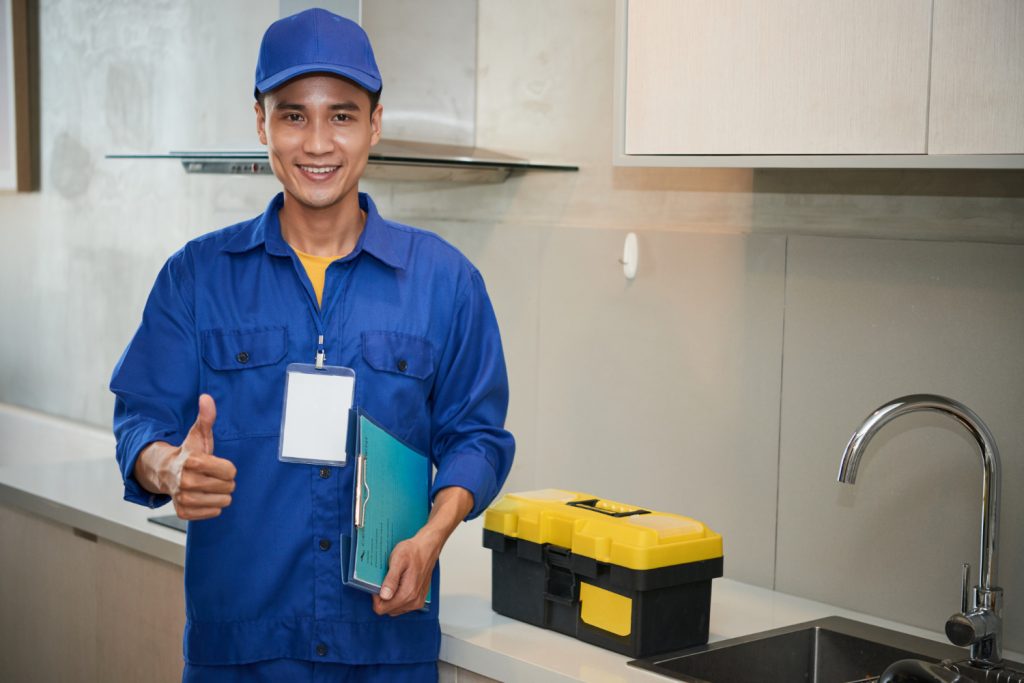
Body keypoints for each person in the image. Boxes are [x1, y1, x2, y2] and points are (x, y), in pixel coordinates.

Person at [109, 8, 515, 682]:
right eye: (294, 115)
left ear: (375, 124)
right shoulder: (196, 277)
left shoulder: (446, 282)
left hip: (386, 648)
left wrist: (433, 534)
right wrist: (169, 468)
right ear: (261, 123)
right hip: (240, 653)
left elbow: (477, 436)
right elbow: (138, 423)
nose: (318, 143)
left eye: (342, 115)